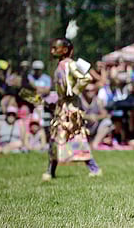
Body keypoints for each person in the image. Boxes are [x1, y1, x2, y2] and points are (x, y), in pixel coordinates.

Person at [42, 21, 102, 181]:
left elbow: (86, 78)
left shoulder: (71, 65)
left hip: (70, 109)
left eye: (56, 47)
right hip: (62, 107)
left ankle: (94, 168)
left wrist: (73, 92)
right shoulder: (61, 65)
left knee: (74, 136)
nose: (52, 50)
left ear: (66, 50)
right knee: (56, 136)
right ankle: (50, 170)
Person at [80, 84, 113, 149]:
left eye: (92, 90)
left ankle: (94, 144)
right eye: (87, 90)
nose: (90, 92)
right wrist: (87, 117)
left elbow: (105, 114)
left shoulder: (98, 100)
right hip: (83, 126)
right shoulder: (80, 100)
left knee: (107, 122)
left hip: (95, 126)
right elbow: (75, 114)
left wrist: (96, 117)